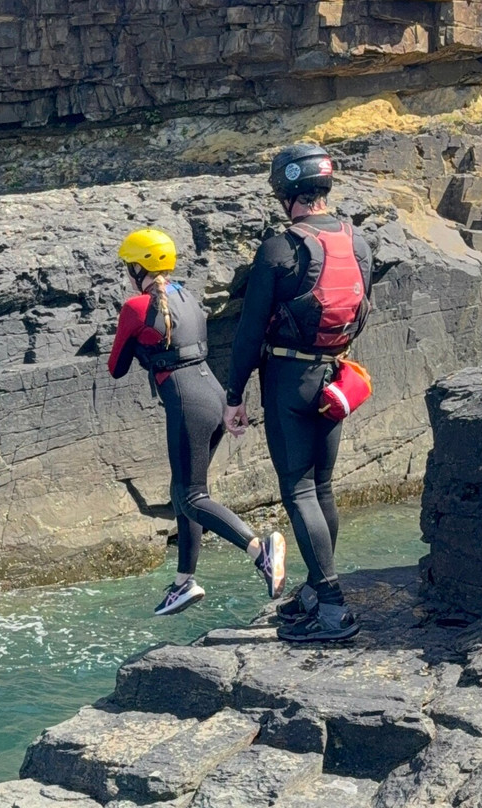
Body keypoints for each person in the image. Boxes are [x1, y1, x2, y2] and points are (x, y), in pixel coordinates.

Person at [223, 144, 373, 642]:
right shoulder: (358, 241)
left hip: (288, 380)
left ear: (286, 192)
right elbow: (360, 312)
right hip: (334, 376)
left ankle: (332, 608)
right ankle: (314, 588)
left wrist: (234, 393)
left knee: (299, 490)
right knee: (323, 487)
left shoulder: (279, 247)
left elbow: (249, 331)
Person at [107, 228, 286, 616]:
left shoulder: (136, 308)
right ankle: (183, 583)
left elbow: (115, 368)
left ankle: (260, 552)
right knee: (184, 493)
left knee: (191, 497)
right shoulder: (187, 295)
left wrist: (138, 343)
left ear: (139, 267)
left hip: (188, 404)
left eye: (128, 266)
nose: (126, 273)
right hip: (214, 396)